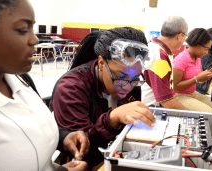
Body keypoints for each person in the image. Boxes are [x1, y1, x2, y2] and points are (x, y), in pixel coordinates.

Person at [0, 0, 89, 170]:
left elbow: (31, 127)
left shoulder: (21, 79)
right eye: (22, 30)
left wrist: (63, 138)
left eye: (32, 29)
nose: (34, 39)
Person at [50, 27, 156, 170]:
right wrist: (112, 119)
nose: (127, 87)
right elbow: (84, 154)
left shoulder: (133, 84)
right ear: (101, 63)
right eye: (121, 78)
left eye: (134, 78)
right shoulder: (71, 88)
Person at [173, 28, 212, 113]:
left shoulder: (197, 58)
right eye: (206, 49)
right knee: (209, 112)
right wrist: (196, 79)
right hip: (179, 96)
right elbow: (175, 87)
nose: (207, 52)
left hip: (192, 93)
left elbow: (201, 79)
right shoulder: (181, 60)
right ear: (197, 45)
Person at [141, 16, 188, 110]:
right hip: (152, 109)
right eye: (185, 36)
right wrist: (190, 115)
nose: (184, 40)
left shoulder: (156, 48)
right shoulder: (158, 57)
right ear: (179, 36)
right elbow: (165, 100)